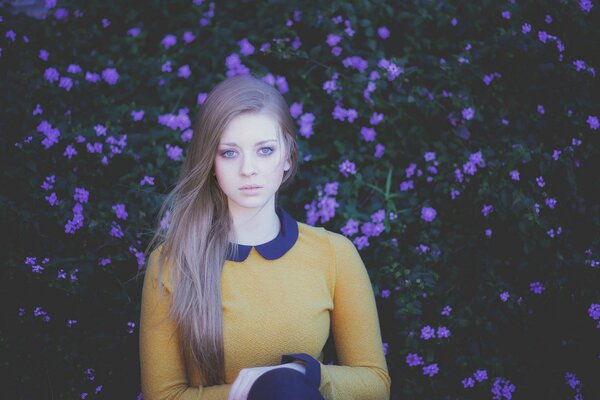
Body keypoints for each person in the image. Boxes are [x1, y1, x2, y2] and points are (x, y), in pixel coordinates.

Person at [138, 73, 391, 400]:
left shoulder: (335, 254)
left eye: (265, 150)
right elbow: (163, 396)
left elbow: (375, 383)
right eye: (229, 152)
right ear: (211, 162)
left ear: (287, 156)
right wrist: (256, 392)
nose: (248, 169)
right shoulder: (172, 263)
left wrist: (300, 374)